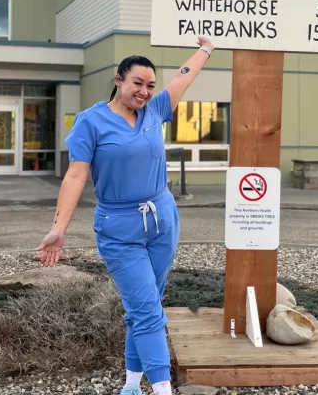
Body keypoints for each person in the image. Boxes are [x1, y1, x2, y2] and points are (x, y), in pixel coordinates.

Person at [37, 36, 215, 395]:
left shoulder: (155, 110)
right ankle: (163, 388)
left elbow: (183, 77)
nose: (145, 91)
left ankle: (132, 383)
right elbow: (75, 176)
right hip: (119, 227)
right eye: (138, 83)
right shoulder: (91, 121)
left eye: (150, 85)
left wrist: (205, 49)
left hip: (163, 220)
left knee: (145, 304)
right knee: (148, 309)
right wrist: (58, 228)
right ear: (119, 80)